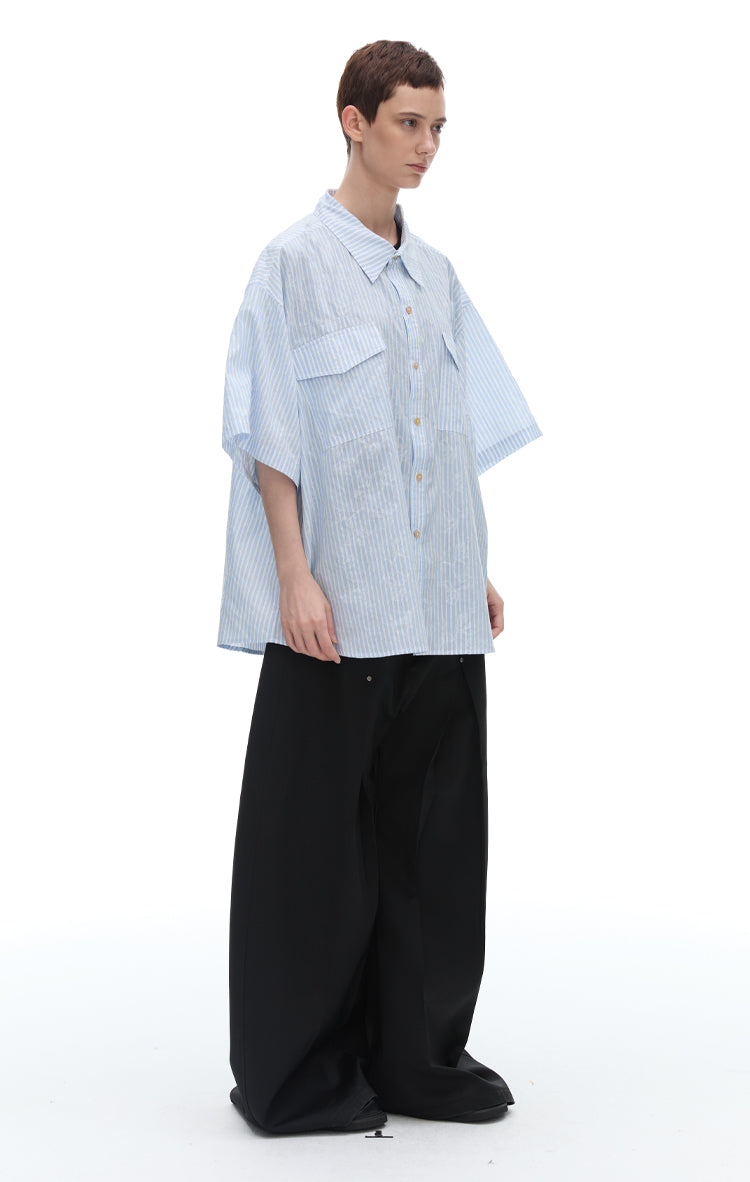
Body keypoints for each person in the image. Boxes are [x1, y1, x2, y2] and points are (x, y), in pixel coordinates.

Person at [218, 39, 542, 1136]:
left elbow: (444, 433)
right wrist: (294, 575)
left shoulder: (437, 277)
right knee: (315, 847)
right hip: (339, 605)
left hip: (436, 601)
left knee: (433, 846)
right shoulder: (292, 266)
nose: (427, 146)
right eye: (409, 123)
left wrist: (469, 566)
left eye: (439, 127)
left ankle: (418, 1057)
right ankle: (300, 1073)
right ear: (352, 121)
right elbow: (269, 433)